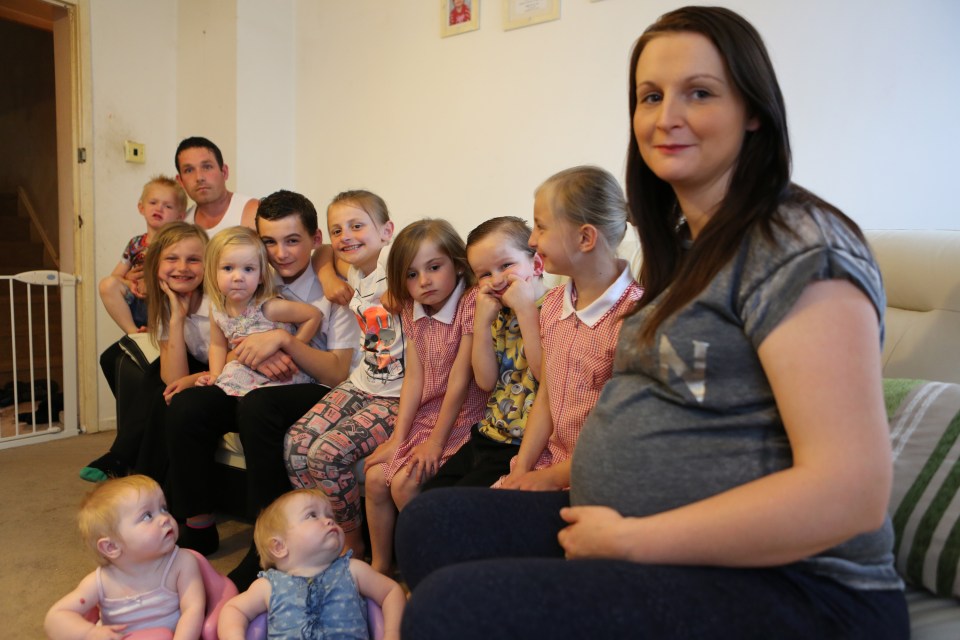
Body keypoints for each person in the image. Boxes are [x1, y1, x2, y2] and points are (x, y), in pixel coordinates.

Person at [394, 6, 909, 639]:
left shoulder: (797, 246)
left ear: (753, 110)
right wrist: (555, 476)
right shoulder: (685, 252)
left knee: (451, 609)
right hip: (643, 529)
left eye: (699, 92)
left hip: (799, 584)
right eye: (650, 96)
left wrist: (637, 540)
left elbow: (849, 490)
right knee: (433, 523)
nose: (666, 117)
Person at [165, 190, 358, 568]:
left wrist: (282, 342)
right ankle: (198, 524)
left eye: (293, 241)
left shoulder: (333, 290)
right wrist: (209, 375)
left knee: (257, 408)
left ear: (315, 241)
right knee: (188, 406)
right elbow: (233, 341)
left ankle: (267, 544)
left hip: (316, 385)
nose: (281, 253)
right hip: (253, 379)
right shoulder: (248, 279)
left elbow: (336, 374)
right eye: (269, 242)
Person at [495, 166, 642, 491]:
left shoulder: (635, 321)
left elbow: (624, 439)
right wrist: (522, 471)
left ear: (586, 238)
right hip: (546, 465)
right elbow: (546, 396)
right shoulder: (552, 305)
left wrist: (544, 480)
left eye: (542, 227)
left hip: (594, 481)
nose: (532, 240)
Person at [362, 218, 487, 575]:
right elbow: (414, 377)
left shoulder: (471, 301)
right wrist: (398, 439)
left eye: (434, 268)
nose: (424, 282)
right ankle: (382, 567)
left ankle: (428, 571)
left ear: (457, 264)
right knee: (374, 479)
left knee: (405, 482)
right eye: (412, 275)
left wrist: (435, 442)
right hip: (426, 415)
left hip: (463, 416)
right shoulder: (410, 309)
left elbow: (460, 381)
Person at [284, 190, 402, 560]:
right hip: (364, 380)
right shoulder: (354, 268)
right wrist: (328, 276)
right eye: (337, 230)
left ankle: (352, 545)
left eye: (356, 226)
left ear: (387, 231)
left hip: (399, 392)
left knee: (326, 454)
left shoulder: (395, 264)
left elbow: (440, 254)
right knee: (296, 443)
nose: (345, 236)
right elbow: (322, 251)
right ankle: (322, 531)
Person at [421, 216, 546, 490]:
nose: (497, 280)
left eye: (506, 265)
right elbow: (486, 381)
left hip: (521, 445)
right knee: (430, 494)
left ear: (537, 264)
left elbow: (543, 375)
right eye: (485, 274)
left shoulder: (551, 309)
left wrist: (525, 310)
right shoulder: (497, 314)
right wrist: (481, 322)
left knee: (451, 509)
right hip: (489, 434)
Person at [80, 223, 210, 482]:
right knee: (156, 376)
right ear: (156, 266)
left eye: (193, 260)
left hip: (223, 371)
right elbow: (172, 376)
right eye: (172, 258)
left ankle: (136, 469)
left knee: (170, 393)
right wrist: (176, 318)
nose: (182, 267)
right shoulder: (165, 301)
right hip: (197, 364)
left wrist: (190, 380)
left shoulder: (215, 303)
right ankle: (130, 464)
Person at [217, 489, 405, 640]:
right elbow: (233, 609)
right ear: (279, 546)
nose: (330, 519)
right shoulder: (268, 585)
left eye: (331, 515)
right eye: (312, 515)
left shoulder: (352, 569)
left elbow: (391, 591)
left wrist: (392, 634)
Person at [44, 475, 205, 640]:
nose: (164, 518)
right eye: (147, 516)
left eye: (164, 508)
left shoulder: (181, 563)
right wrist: (89, 633)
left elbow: (193, 609)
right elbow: (56, 616)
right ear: (112, 547)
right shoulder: (100, 582)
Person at [197, 225, 322, 395]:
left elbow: (313, 315)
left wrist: (290, 349)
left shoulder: (268, 307)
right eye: (228, 268)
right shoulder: (217, 309)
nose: (238, 277)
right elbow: (217, 345)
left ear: (261, 276)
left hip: (279, 377)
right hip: (243, 370)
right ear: (213, 272)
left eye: (248, 269)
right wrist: (215, 374)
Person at [98, 175, 187, 336]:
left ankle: (158, 331)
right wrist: (130, 282)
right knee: (107, 285)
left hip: (164, 305)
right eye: (153, 203)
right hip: (139, 303)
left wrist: (151, 281)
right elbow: (116, 276)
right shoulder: (135, 243)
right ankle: (134, 334)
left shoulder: (178, 245)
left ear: (180, 216)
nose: (159, 208)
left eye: (167, 206)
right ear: (141, 208)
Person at [173, 136, 259, 233]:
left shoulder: (254, 213)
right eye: (189, 170)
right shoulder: (182, 225)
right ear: (180, 181)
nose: (199, 177)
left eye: (207, 167)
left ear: (224, 172)